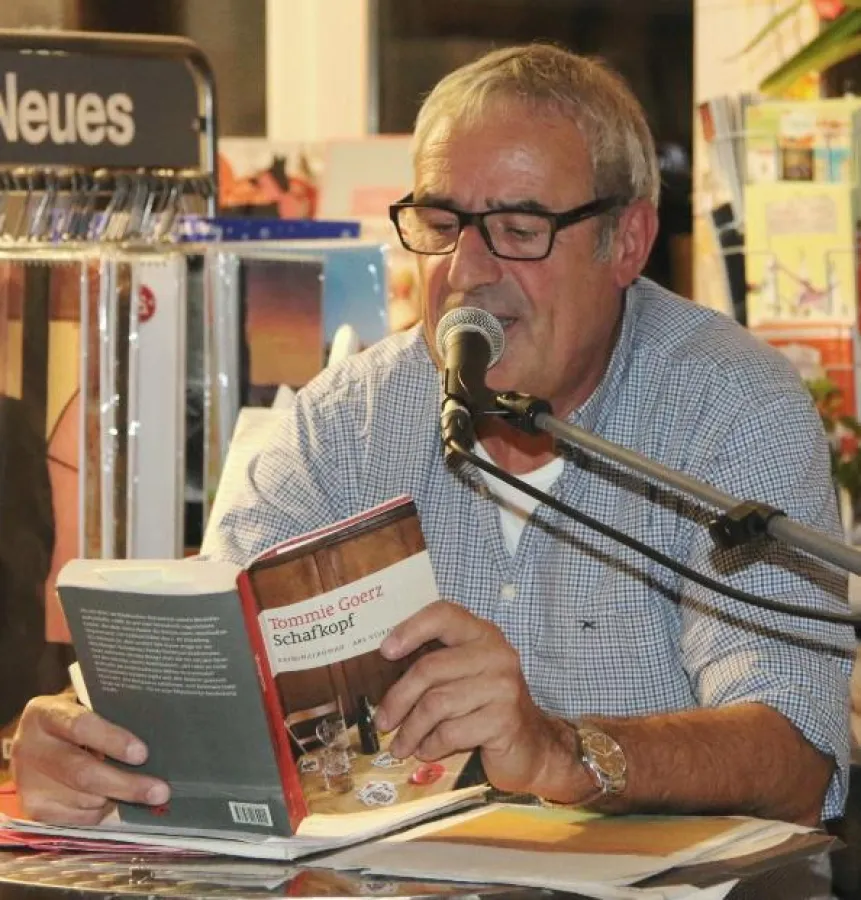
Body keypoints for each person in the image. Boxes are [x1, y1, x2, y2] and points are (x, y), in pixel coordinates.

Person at [11, 43, 853, 828]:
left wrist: (560, 751)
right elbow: (218, 672)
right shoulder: (345, 420)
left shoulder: (731, 403)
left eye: (520, 231)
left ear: (625, 240)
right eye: (441, 224)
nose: (469, 270)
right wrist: (85, 747)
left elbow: (800, 761)